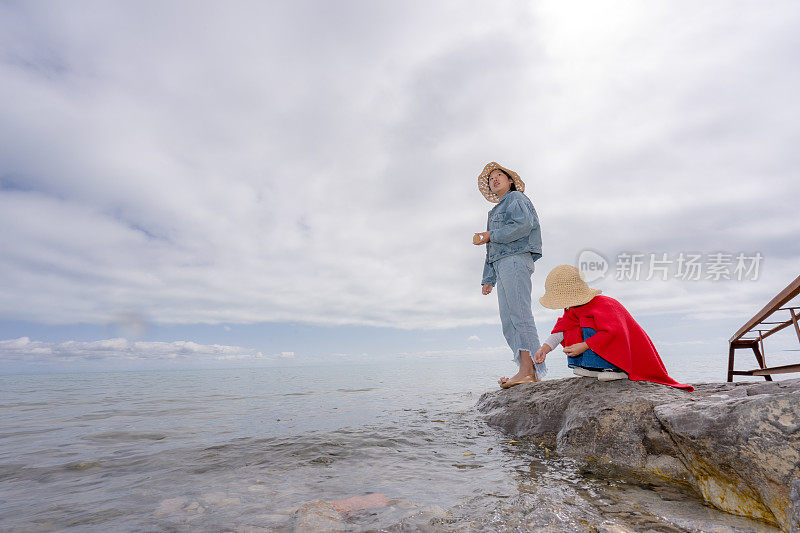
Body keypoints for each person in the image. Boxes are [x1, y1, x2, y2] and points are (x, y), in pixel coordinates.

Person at [532, 264, 693, 391]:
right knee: (571, 327)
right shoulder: (572, 309)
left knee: (589, 326)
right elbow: (561, 330)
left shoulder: (605, 305)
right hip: (597, 346)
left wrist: (583, 346)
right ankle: (591, 366)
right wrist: (544, 349)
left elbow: (614, 333)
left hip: (620, 348)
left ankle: (615, 369)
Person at [473, 161, 546, 389]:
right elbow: (492, 248)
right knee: (508, 320)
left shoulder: (516, 199)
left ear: (510, 181)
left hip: (516, 259)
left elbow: (524, 224)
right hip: (503, 263)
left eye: (498, 176)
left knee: (520, 314)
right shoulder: (494, 211)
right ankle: (523, 369)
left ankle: (530, 370)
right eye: (491, 178)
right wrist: (488, 278)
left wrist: (490, 234)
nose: (494, 179)